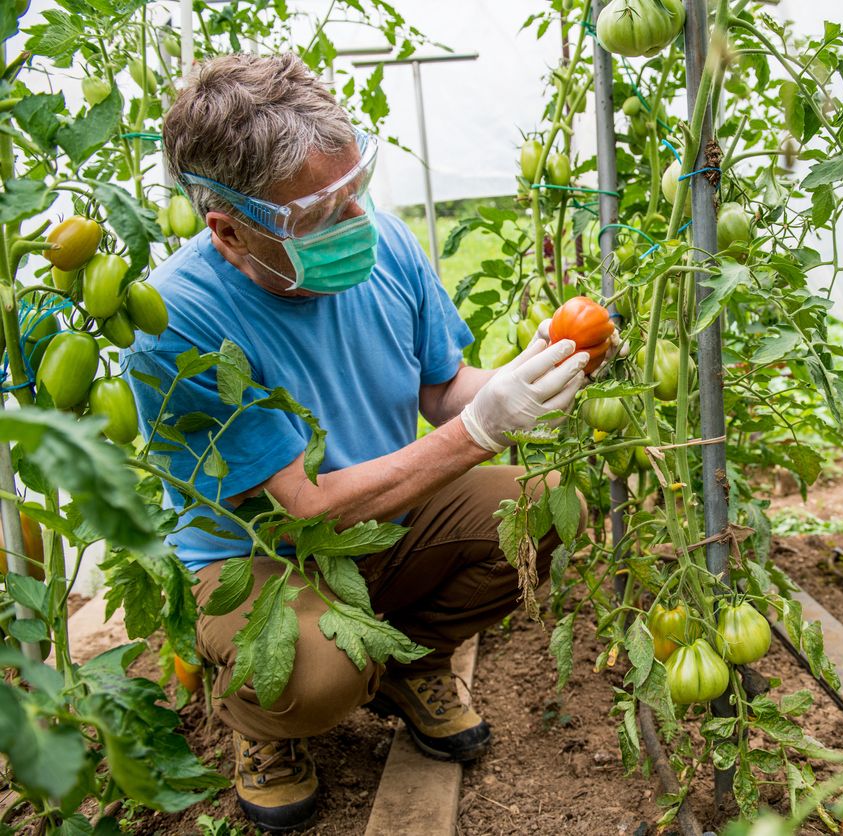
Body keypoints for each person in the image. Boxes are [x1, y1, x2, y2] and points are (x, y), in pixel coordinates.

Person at [124, 53, 597, 833]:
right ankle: (266, 729)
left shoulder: (383, 246)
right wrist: (486, 429)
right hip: (262, 557)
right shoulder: (178, 320)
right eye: (319, 213)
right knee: (311, 678)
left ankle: (406, 664)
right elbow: (305, 506)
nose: (354, 222)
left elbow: (440, 390)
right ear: (230, 229)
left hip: (387, 512)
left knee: (544, 512)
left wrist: (526, 374)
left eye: (357, 193)